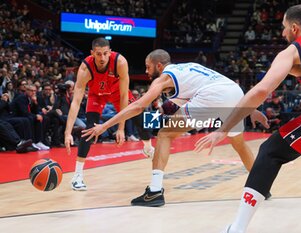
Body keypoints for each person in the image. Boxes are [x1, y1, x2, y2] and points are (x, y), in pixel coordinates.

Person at [195, 4, 301, 232]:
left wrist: (223, 128)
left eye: (284, 28)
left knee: (271, 151)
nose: (282, 34)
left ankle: (236, 228)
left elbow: (261, 90)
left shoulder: (293, 50)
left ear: (295, 27)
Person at [82, 49, 269, 207]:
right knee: (238, 144)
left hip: (213, 95)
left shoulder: (163, 78)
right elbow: (222, 91)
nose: (146, 72)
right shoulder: (186, 70)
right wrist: (249, 110)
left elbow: (138, 106)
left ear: (159, 65)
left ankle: (154, 192)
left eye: (148, 67)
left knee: (164, 135)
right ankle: (260, 186)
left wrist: (104, 126)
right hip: (235, 92)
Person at [64, 37, 153, 191]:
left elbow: (124, 96)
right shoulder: (85, 68)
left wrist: (121, 129)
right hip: (96, 95)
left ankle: (147, 146)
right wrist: (67, 132)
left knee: (139, 113)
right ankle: (77, 175)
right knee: (89, 130)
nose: (102, 58)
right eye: (98, 54)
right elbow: (76, 102)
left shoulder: (120, 62)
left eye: (105, 53)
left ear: (110, 52)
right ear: (92, 53)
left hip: (117, 93)